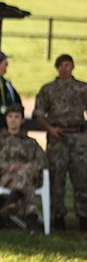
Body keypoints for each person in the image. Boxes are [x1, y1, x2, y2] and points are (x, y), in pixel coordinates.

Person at [33, 54, 87, 232]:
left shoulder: (82, 88)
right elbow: (38, 113)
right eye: (62, 65)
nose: (65, 68)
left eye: (68, 65)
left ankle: (83, 216)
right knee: (57, 178)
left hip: (78, 138)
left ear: (73, 67)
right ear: (57, 67)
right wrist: (50, 128)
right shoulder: (48, 89)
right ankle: (58, 217)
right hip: (57, 138)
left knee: (81, 177)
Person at [0, 104, 49, 234]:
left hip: (30, 175)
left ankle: (13, 199)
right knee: (25, 182)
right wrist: (8, 166)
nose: (13, 120)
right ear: (6, 119)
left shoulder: (30, 142)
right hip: (7, 176)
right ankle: (32, 220)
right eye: (10, 116)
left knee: (24, 174)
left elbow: (43, 161)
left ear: (22, 120)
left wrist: (27, 167)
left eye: (17, 117)